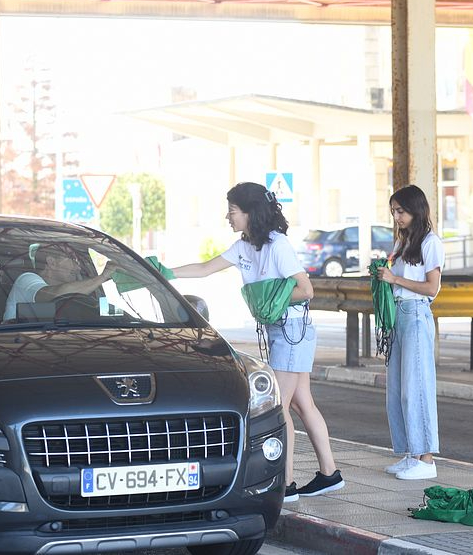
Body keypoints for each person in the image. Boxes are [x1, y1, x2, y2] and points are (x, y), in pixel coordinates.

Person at [171, 182, 344, 502]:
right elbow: (206, 268)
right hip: (282, 330)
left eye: (232, 211)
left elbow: (306, 290)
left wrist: (271, 301)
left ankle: (286, 483)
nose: (228, 216)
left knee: (279, 407)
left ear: (250, 212)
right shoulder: (244, 245)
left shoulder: (278, 245)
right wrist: (163, 271)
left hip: (293, 330)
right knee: (301, 403)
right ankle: (329, 474)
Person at [375, 185, 443, 481]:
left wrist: (395, 278)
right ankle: (409, 453)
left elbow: (432, 288)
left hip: (415, 314)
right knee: (398, 389)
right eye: (393, 211)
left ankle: (426, 458)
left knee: (416, 386)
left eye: (400, 211)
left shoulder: (430, 242)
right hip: (398, 316)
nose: (396, 217)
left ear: (416, 209)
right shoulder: (403, 243)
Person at [3, 243, 116, 321]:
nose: (78, 268)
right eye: (73, 259)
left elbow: (104, 311)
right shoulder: (26, 280)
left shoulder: (71, 287)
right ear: (52, 262)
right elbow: (54, 294)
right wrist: (103, 276)